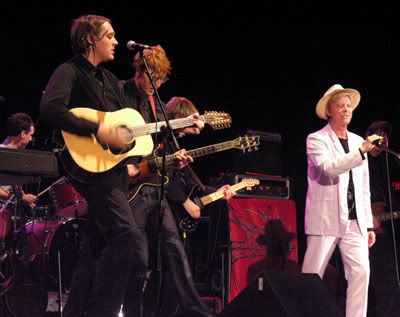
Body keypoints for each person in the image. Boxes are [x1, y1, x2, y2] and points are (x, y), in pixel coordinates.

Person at [39, 15, 193, 317]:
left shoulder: (109, 81)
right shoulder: (68, 72)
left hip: (114, 169)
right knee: (125, 234)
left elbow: (127, 127)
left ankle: (75, 311)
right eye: (109, 36)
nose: (115, 41)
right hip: (89, 167)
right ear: (90, 40)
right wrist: (97, 130)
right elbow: (50, 109)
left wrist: (176, 131)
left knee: (96, 245)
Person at [121, 47, 231, 316]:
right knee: (139, 259)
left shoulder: (157, 106)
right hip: (130, 189)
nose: (156, 85)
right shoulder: (121, 94)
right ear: (139, 71)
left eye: (160, 80)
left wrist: (177, 157)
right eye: (152, 78)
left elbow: (163, 152)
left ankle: (196, 309)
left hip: (153, 190)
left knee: (176, 250)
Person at [301, 84, 381, 317]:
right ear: (329, 111)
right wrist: (361, 152)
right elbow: (329, 168)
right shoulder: (316, 139)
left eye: (349, 106)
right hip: (325, 218)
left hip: (354, 221)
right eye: (340, 106)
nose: (346, 110)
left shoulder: (358, 141)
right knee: (312, 276)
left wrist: (367, 224)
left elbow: (363, 187)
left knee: (361, 272)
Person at [364, 120, 400, 317]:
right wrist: (367, 215)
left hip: (380, 229)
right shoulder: (358, 158)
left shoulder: (385, 163)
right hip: (362, 228)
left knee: (388, 277)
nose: (382, 143)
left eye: (385, 138)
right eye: (379, 136)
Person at [0, 112, 37, 209]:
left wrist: (23, 197)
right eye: (30, 135)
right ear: (23, 134)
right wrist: (21, 198)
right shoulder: (2, 154)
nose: (30, 139)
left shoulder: (16, 155)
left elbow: (15, 187)